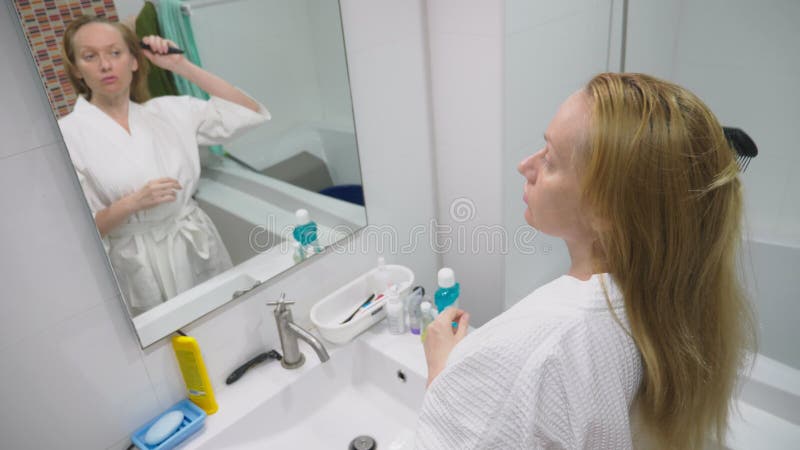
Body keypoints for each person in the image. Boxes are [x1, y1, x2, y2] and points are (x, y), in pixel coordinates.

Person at [415, 73, 756, 449]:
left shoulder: (545, 344)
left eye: (550, 159)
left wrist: (442, 371)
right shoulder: (672, 296)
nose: (525, 166)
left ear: (607, 209)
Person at [58, 15, 270, 315]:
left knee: (226, 319)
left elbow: (247, 112)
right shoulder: (66, 135)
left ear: (134, 60)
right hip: (137, 261)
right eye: (90, 56)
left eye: (115, 53)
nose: (105, 65)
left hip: (193, 240)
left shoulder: (169, 111)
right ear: (77, 69)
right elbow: (77, 233)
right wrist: (131, 204)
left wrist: (180, 66)